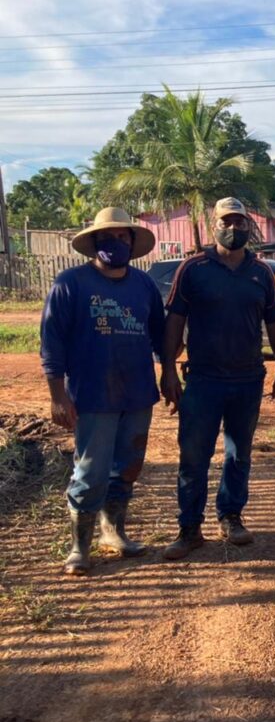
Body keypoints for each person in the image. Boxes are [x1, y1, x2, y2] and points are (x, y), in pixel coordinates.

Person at [160, 197, 275, 559]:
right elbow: (175, 321)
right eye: (226, 222)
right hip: (202, 380)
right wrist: (168, 368)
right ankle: (189, 528)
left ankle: (231, 517)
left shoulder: (261, 273)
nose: (233, 229)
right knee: (193, 455)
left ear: (249, 227)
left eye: (240, 223)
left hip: (248, 380)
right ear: (214, 224)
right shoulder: (193, 269)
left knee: (238, 454)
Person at [40, 207, 165, 575]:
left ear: (132, 242)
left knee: (126, 468)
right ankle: (79, 547)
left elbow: (159, 335)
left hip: (138, 393)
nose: (116, 243)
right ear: (95, 243)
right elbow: (52, 341)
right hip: (93, 395)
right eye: (107, 238)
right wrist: (57, 395)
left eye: (122, 237)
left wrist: (171, 373)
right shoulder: (71, 283)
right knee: (90, 471)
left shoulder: (143, 286)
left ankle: (114, 533)